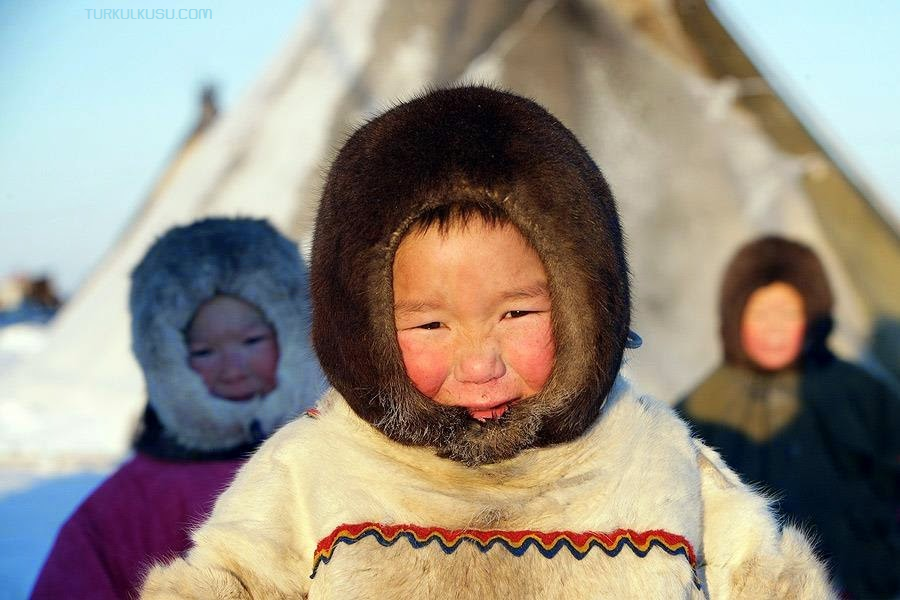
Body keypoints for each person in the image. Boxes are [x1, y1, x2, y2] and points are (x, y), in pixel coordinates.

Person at [141, 86, 833, 599]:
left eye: (516, 315)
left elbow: (763, 580)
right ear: (365, 328)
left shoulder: (651, 457)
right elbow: (228, 580)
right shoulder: (314, 468)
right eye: (431, 324)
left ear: (585, 302)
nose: (480, 362)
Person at [31, 217, 326, 599]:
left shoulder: (344, 458)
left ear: (293, 334)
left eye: (251, 340)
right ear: (167, 359)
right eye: (204, 350)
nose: (232, 365)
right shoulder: (124, 507)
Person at [676, 235, 900, 599]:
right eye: (761, 313)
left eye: (787, 313)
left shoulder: (862, 394)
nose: (774, 326)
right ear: (737, 318)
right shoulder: (701, 407)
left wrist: (884, 559)